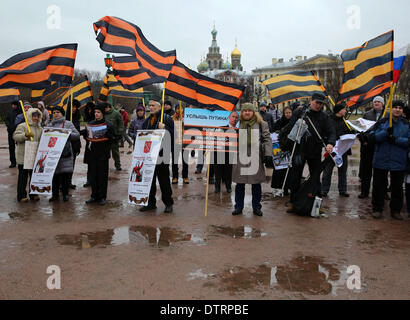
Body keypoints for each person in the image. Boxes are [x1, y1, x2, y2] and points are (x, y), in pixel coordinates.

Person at [286, 93, 336, 212]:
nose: (318, 105)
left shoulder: (324, 116)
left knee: (315, 176)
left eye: (321, 103)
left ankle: (316, 204)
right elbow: (290, 127)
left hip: (315, 150)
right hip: (299, 149)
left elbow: (331, 132)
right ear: (311, 101)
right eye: (316, 102)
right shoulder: (300, 113)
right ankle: (293, 202)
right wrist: (298, 125)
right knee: (295, 176)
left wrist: (330, 143)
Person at [232, 103, 273, 217]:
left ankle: (256, 207)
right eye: (245, 110)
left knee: (256, 184)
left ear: (253, 112)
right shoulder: (237, 124)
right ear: (242, 112)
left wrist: (269, 154)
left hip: (256, 157)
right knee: (239, 184)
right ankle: (238, 207)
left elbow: (267, 139)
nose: (247, 112)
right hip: (240, 157)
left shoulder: (261, 124)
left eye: (250, 110)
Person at [371, 100, 409, 220]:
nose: (398, 110)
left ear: (402, 110)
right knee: (378, 186)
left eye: (400, 108)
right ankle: (377, 208)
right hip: (381, 159)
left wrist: (396, 139)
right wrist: (385, 133)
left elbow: (408, 141)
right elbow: (373, 137)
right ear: (391, 109)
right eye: (395, 107)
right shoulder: (382, 122)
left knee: (397, 187)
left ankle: (395, 210)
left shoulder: (406, 124)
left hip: (398, 160)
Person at [139, 99, 174, 213]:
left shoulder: (166, 119)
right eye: (149, 105)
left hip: (162, 155)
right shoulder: (147, 121)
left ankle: (168, 203)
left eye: (153, 105)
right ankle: (150, 203)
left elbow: (173, 135)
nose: (151, 107)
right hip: (149, 156)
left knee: (164, 181)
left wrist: (164, 128)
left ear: (159, 107)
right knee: (149, 180)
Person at [320, 104, 355, 197]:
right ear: (339, 111)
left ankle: (343, 190)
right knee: (327, 170)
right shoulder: (329, 120)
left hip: (343, 150)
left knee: (343, 171)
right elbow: (327, 133)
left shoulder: (345, 121)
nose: (345, 111)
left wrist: (351, 133)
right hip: (332, 149)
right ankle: (324, 189)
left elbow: (348, 132)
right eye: (344, 109)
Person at [84, 103, 115, 206]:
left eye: (98, 112)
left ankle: (102, 197)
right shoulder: (90, 124)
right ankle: (94, 195)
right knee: (93, 176)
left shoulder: (108, 125)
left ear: (102, 113)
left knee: (102, 177)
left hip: (103, 155)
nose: (96, 114)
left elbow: (112, 139)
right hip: (92, 154)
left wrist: (106, 140)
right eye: (95, 112)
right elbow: (87, 137)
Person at [48, 107, 80, 202]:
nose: (56, 114)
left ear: (62, 113)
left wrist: (67, 134)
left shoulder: (68, 124)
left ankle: (65, 194)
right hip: (53, 154)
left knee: (65, 176)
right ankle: (55, 195)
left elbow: (77, 135)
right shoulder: (50, 125)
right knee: (55, 176)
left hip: (65, 154)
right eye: (54, 112)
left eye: (58, 112)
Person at [13, 108, 43, 202]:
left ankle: (34, 194)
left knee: (34, 177)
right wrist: (25, 135)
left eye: (37, 116)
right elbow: (15, 136)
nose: (36, 118)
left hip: (35, 157)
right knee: (23, 177)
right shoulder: (22, 126)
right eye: (34, 116)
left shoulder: (40, 128)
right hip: (24, 156)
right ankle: (21, 195)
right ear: (30, 116)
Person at [358, 96, 385, 199]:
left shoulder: (387, 115)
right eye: (375, 102)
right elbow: (360, 129)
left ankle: (383, 192)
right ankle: (364, 192)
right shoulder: (367, 114)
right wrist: (363, 140)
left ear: (382, 104)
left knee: (381, 172)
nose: (376, 103)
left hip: (381, 147)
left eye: (379, 102)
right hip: (368, 146)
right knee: (366, 171)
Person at [214, 110, 239, 193]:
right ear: (229, 118)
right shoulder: (222, 128)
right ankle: (217, 187)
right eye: (233, 116)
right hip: (219, 152)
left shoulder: (238, 131)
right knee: (218, 171)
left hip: (231, 153)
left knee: (228, 171)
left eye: (236, 117)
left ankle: (228, 187)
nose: (234, 119)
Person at [271, 106, 293, 194]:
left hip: (290, 148)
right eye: (286, 113)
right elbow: (273, 131)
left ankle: (289, 186)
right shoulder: (279, 122)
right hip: (280, 148)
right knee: (280, 168)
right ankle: (280, 187)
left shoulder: (294, 122)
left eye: (289, 113)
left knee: (289, 168)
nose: (288, 114)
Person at [171, 106, 189, 184]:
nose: (179, 110)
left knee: (185, 161)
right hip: (175, 142)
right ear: (175, 109)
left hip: (184, 142)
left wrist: (185, 123)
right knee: (175, 161)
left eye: (181, 108)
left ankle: (185, 176)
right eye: (177, 108)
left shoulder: (187, 118)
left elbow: (190, 129)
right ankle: (175, 177)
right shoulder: (171, 118)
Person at [104, 103, 124, 171]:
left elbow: (121, 124)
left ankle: (118, 165)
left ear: (109, 107)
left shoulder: (116, 113)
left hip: (114, 136)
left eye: (105, 108)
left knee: (115, 152)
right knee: (105, 152)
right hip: (105, 136)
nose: (105, 109)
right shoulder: (103, 113)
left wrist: (119, 133)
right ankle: (104, 165)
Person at [67, 99, 82, 190]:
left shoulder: (77, 118)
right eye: (72, 106)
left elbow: (78, 132)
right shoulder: (66, 117)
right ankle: (62, 183)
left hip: (74, 144)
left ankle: (69, 182)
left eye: (75, 107)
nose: (74, 108)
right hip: (66, 145)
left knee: (72, 165)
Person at [82, 101, 95, 187]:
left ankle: (93, 180)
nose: (90, 111)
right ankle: (89, 180)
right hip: (89, 144)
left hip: (96, 144)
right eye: (88, 109)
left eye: (91, 109)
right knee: (90, 164)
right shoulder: (88, 121)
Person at [5, 101, 20, 168]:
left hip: (18, 131)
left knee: (19, 147)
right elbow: (6, 120)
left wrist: (15, 126)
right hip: (10, 132)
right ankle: (13, 162)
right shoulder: (9, 112)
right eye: (12, 105)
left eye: (14, 105)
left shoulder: (20, 112)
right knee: (11, 147)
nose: (13, 106)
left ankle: (20, 161)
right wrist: (8, 125)